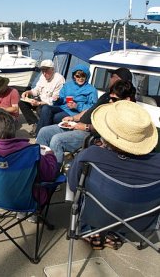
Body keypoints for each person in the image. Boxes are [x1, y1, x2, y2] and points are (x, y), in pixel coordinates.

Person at [67, 100, 160, 249]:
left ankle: (88, 231)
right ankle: (117, 233)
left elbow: (73, 186)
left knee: (83, 188)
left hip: (97, 214)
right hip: (140, 221)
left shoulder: (91, 155)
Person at [36, 78, 136, 165]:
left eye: (114, 99)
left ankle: (52, 176)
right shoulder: (107, 98)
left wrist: (85, 127)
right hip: (78, 125)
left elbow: (107, 130)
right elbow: (90, 110)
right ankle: (39, 166)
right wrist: (74, 118)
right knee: (44, 132)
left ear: (127, 99)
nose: (110, 101)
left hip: (90, 133)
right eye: (110, 97)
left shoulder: (125, 113)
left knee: (57, 140)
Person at [35, 64, 97, 134]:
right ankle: (41, 133)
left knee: (54, 117)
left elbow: (92, 107)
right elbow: (62, 99)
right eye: (78, 76)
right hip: (63, 107)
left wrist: (77, 106)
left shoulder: (91, 90)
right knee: (44, 108)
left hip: (74, 112)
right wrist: (58, 100)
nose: (80, 78)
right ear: (74, 76)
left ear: (87, 76)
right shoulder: (68, 85)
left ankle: (41, 134)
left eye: (83, 76)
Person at [19, 59, 65, 136]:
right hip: (40, 100)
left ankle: (40, 130)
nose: (44, 73)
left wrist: (39, 103)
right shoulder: (42, 77)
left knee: (42, 109)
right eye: (42, 71)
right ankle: (36, 123)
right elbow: (36, 90)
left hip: (50, 104)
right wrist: (28, 92)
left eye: (46, 71)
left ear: (52, 69)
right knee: (21, 102)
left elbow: (54, 100)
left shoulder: (59, 79)